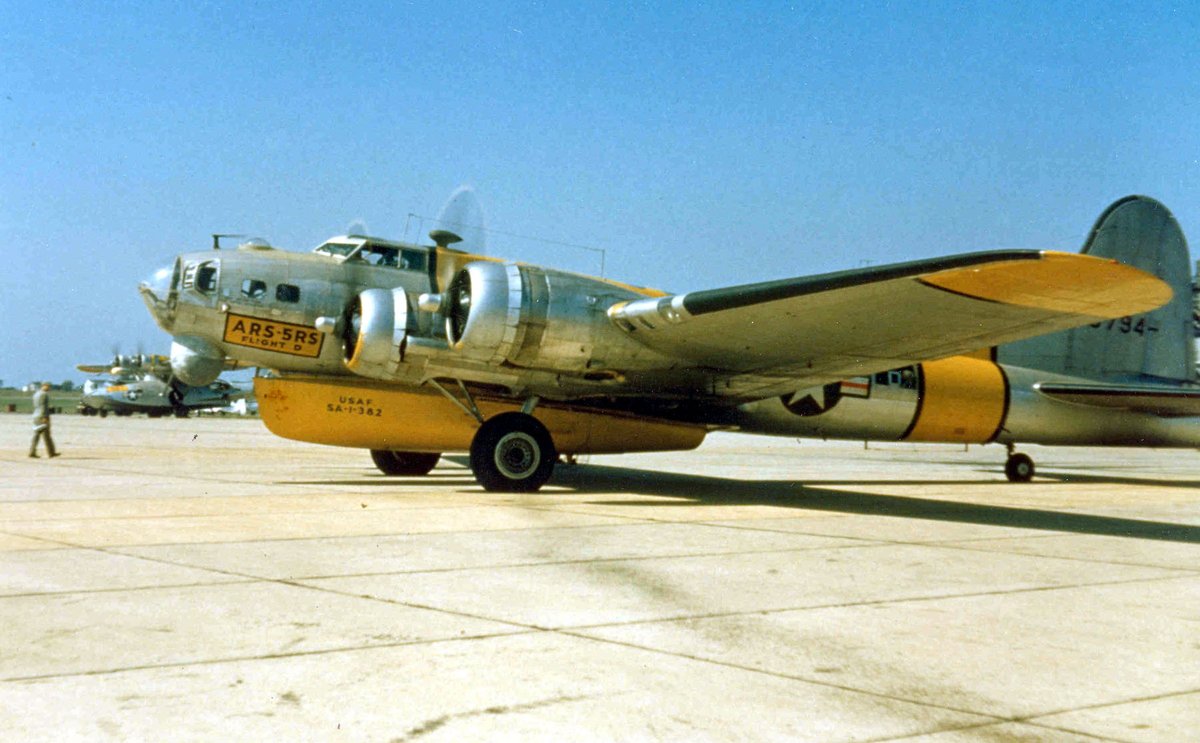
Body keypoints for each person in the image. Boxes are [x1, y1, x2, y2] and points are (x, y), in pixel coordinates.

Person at [29, 383, 59, 458]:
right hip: (42, 416)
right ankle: (51, 452)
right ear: (44, 386)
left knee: (36, 435)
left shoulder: (36, 394)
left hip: (36, 415)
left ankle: (32, 451)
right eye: (48, 386)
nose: (49, 388)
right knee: (47, 436)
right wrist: (45, 417)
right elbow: (43, 406)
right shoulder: (44, 395)